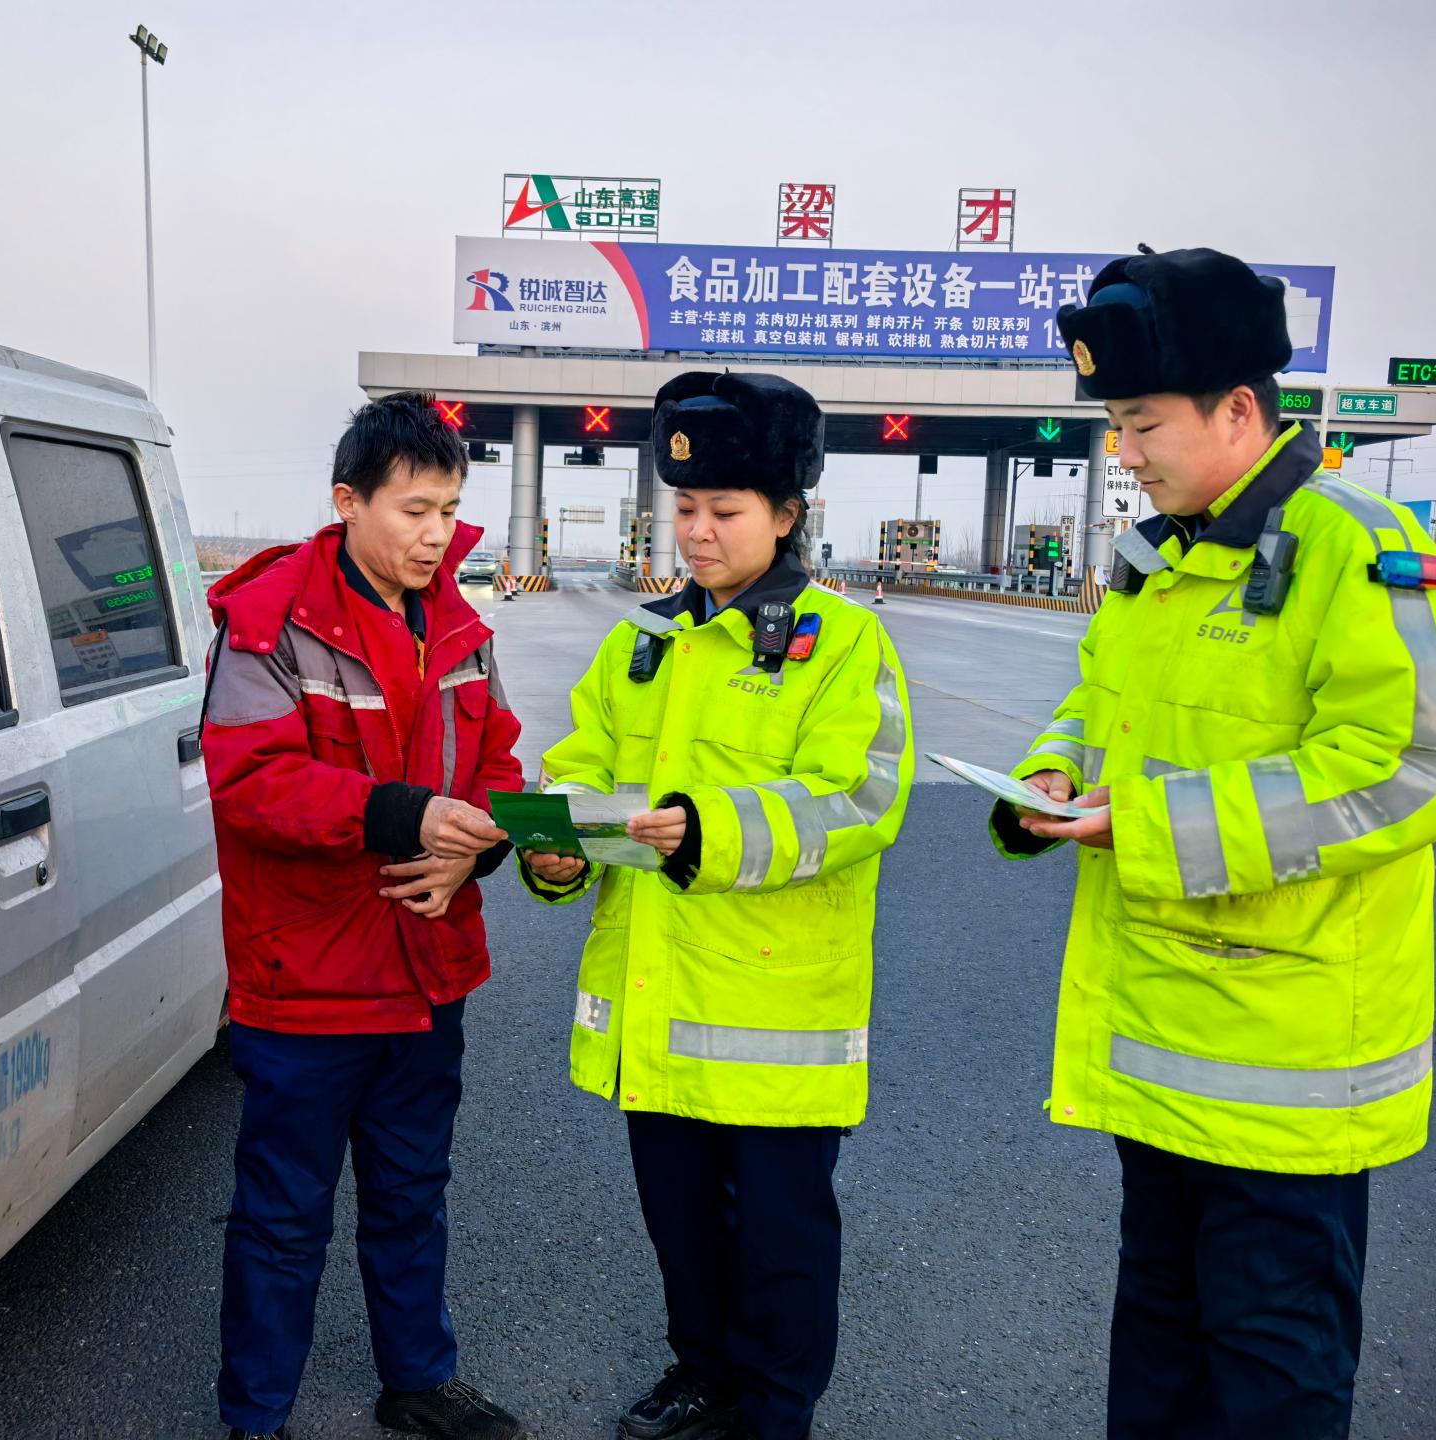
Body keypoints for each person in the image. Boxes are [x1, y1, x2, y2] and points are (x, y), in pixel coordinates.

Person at [989, 247, 1436, 1439]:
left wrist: (1150, 823)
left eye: (1143, 423)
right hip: (1161, 1038)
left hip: (1286, 1067)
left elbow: (1411, 767)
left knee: (1272, 1364)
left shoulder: (1357, 551)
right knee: (1159, 1342)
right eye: (1115, 425)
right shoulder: (1160, 559)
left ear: (1239, 411)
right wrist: (1052, 772)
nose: (1125, 452)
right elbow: (1096, 707)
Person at [519, 372, 914, 1440]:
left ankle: (776, 1410)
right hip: (658, 999)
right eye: (684, 507)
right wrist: (558, 852)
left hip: (774, 1010)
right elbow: (580, 766)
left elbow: (859, 799)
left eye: (724, 510)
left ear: (786, 515)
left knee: (781, 1240)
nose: (696, 531)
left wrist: (705, 830)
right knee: (681, 1223)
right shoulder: (640, 645)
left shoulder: (841, 643)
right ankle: (701, 1371)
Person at [202, 392, 532, 1440]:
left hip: (429, 965)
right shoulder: (271, 623)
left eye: (450, 511)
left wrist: (479, 847)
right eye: (413, 511)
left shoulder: (462, 624)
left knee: (412, 1191)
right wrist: (400, 814)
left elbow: (496, 762)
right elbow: (248, 781)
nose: (436, 535)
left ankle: (418, 1379)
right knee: (283, 1213)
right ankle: (256, 1416)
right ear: (347, 501)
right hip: (309, 979)